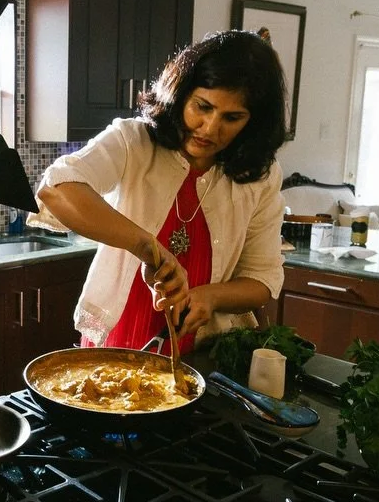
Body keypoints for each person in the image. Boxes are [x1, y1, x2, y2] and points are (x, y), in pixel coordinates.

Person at [35, 30, 287, 354]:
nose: (210, 128)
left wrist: (209, 297)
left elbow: (261, 280)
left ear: (253, 123)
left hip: (204, 350)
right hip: (121, 334)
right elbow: (57, 189)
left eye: (232, 117)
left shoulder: (260, 177)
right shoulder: (134, 142)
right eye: (203, 106)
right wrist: (148, 249)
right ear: (181, 93)